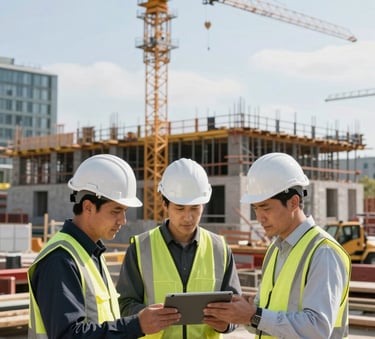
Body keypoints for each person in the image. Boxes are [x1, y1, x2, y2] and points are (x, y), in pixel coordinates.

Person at [27, 154, 180, 338]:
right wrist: (137, 325)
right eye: (116, 211)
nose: (123, 220)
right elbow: (68, 335)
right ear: (88, 207)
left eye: (124, 211)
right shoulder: (60, 259)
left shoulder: (91, 254)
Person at [204, 152, 351, 339]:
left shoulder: (324, 252)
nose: (259, 218)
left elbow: (317, 329)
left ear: (293, 202)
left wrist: (253, 315)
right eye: (255, 208)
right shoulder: (275, 250)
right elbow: (267, 321)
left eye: (265, 208)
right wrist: (243, 313)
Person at [117, 158, 242, 338]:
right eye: (180, 208)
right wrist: (146, 317)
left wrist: (226, 324)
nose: (188, 217)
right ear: (164, 205)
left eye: (194, 208)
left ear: (203, 206)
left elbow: (235, 309)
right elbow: (124, 305)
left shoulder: (220, 249)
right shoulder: (140, 248)